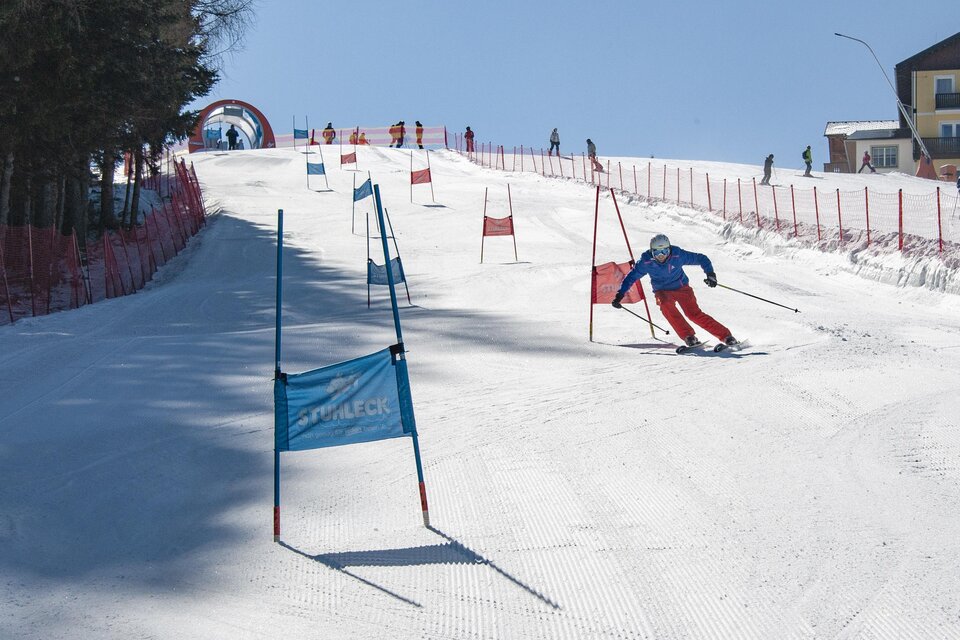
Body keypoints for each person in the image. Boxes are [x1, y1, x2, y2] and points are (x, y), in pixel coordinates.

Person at [612, 234, 737, 349]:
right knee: (665, 304)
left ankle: (726, 336)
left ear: (669, 249)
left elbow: (701, 258)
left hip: (682, 288)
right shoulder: (646, 261)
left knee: (693, 314)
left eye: (664, 251)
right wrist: (620, 295)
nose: (661, 256)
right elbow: (631, 277)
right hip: (662, 291)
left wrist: (710, 274)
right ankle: (689, 337)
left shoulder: (677, 255)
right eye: (657, 252)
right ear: (651, 251)